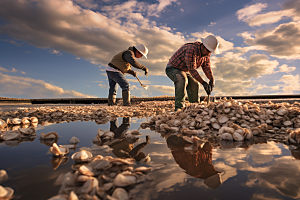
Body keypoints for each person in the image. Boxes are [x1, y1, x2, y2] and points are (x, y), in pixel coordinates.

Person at [166, 35, 219, 111]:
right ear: (203, 46)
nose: (209, 53)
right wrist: (204, 83)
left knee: (194, 83)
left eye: (210, 51)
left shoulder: (206, 54)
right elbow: (192, 69)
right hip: (172, 68)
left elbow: (207, 67)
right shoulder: (191, 49)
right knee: (182, 79)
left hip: (184, 70)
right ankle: (179, 109)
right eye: (208, 51)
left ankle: (195, 108)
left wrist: (211, 79)